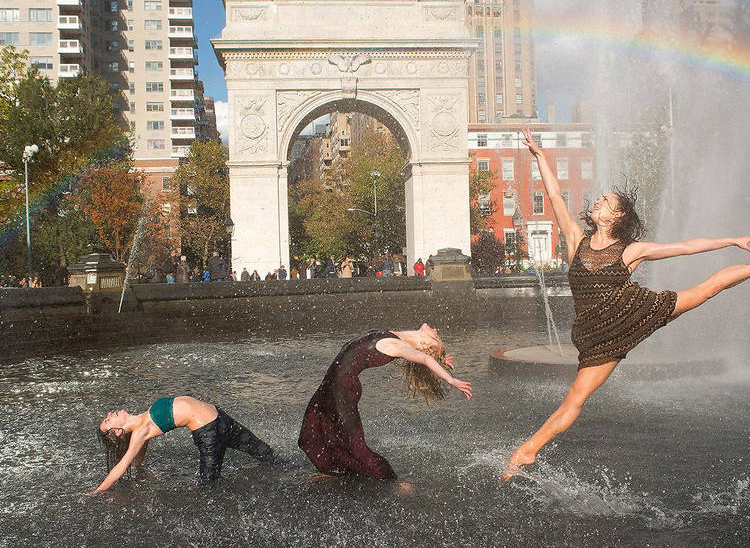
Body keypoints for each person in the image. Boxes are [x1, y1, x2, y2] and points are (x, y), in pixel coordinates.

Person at [502, 127, 750, 481]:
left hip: (635, 312)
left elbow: (685, 246)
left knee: (706, 290)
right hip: (598, 335)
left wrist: (733, 239)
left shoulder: (631, 251)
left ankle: (526, 450)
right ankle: (529, 450)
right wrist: (541, 157)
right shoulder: (577, 240)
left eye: (606, 201)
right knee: (576, 396)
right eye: (599, 199)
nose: (598, 201)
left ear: (617, 216)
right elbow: (555, 197)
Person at [298, 325, 472, 481]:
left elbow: (425, 359)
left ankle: (392, 481)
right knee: (310, 437)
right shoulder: (395, 336)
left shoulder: (398, 346)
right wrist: (440, 359)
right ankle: (337, 472)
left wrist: (450, 379)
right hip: (329, 386)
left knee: (356, 446)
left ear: (424, 345)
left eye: (435, 337)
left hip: (343, 390)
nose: (435, 330)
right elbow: (425, 356)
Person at [92, 396, 280, 493]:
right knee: (209, 486)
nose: (109, 415)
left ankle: (289, 471)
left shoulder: (143, 422)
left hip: (221, 419)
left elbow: (141, 448)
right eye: (107, 421)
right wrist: (98, 491)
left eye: (106, 418)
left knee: (264, 451)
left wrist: (139, 468)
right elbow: (122, 466)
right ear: (117, 432)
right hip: (208, 435)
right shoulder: (140, 431)